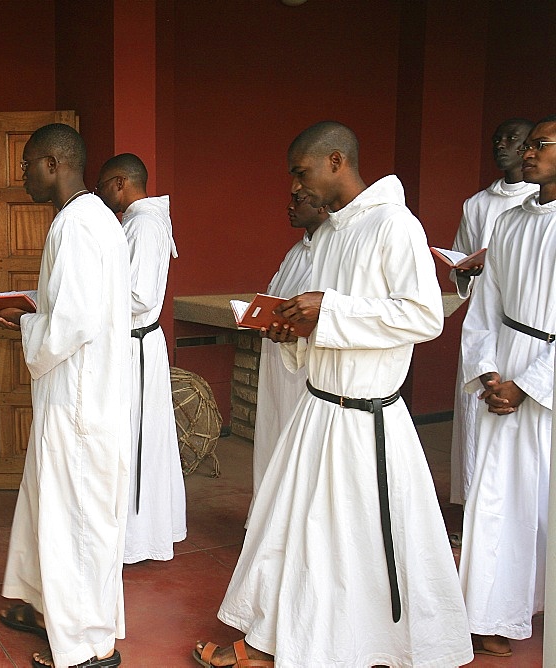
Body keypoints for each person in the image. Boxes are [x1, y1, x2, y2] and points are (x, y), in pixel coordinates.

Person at [194, 122, 472, 667]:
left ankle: (342, 645)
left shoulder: (395, 224)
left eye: (302, 172)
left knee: (350, 543)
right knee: (296, 533)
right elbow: (321, 321)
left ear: (337, 161)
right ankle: (276, 641)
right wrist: (292, 329)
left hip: (367, 421)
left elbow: (423, 314)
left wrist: (330, 309)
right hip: (318, 409)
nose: (296, 186)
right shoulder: (333, 234)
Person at [0, 124, 131, 668]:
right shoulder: (91, 219)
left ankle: (87, 647)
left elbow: (73, 321)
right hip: (78, 395)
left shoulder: (77, 224)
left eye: (27, 165)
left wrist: (31, 326)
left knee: (77, 519)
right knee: (47, 503)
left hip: (80, 403)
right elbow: (73, 304)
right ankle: (40, 602)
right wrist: (31, 308)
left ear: (53, 163)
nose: (21, 176)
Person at [458, 116, 556, 659]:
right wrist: (491, 373)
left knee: (541, 498)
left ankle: (533, 599)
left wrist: (530, 384)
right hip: (506, 366)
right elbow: (485, 308)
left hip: (544, 371)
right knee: (498, 493)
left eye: (542, 144)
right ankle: (493, 610)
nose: (529, 153)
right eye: (532, 144)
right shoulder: (511, 222)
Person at [94, 152, 186, 563]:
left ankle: (138, 538)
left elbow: (140, 295)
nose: (100, 195)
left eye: (102, 187)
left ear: (120, 182)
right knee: (129, 437)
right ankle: (131, 533)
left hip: (137, 346)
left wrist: (86, 296)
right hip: (128, 344)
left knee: (138, 439)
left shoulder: (145, 225)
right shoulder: (134, 223)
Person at [448, 118, 537, 508]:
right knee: (475, 412)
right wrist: (465, 270)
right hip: (483, 325)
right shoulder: (478, 203)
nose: (502, 145)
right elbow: (462, 255)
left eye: (512, 139)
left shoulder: (539, 204)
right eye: (497, 138)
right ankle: (474, 501)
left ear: (528, 147)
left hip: (524, 321)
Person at [247, 192, 327, 516]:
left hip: (305, 372)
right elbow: (275, 293)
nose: (289, 207)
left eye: (299, 200)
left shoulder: (332, 253)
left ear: (322, 206)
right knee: (272, 437)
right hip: (277, 364)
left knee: (301, 450)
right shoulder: (296, 251)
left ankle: (294, 521)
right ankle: (267, 518)